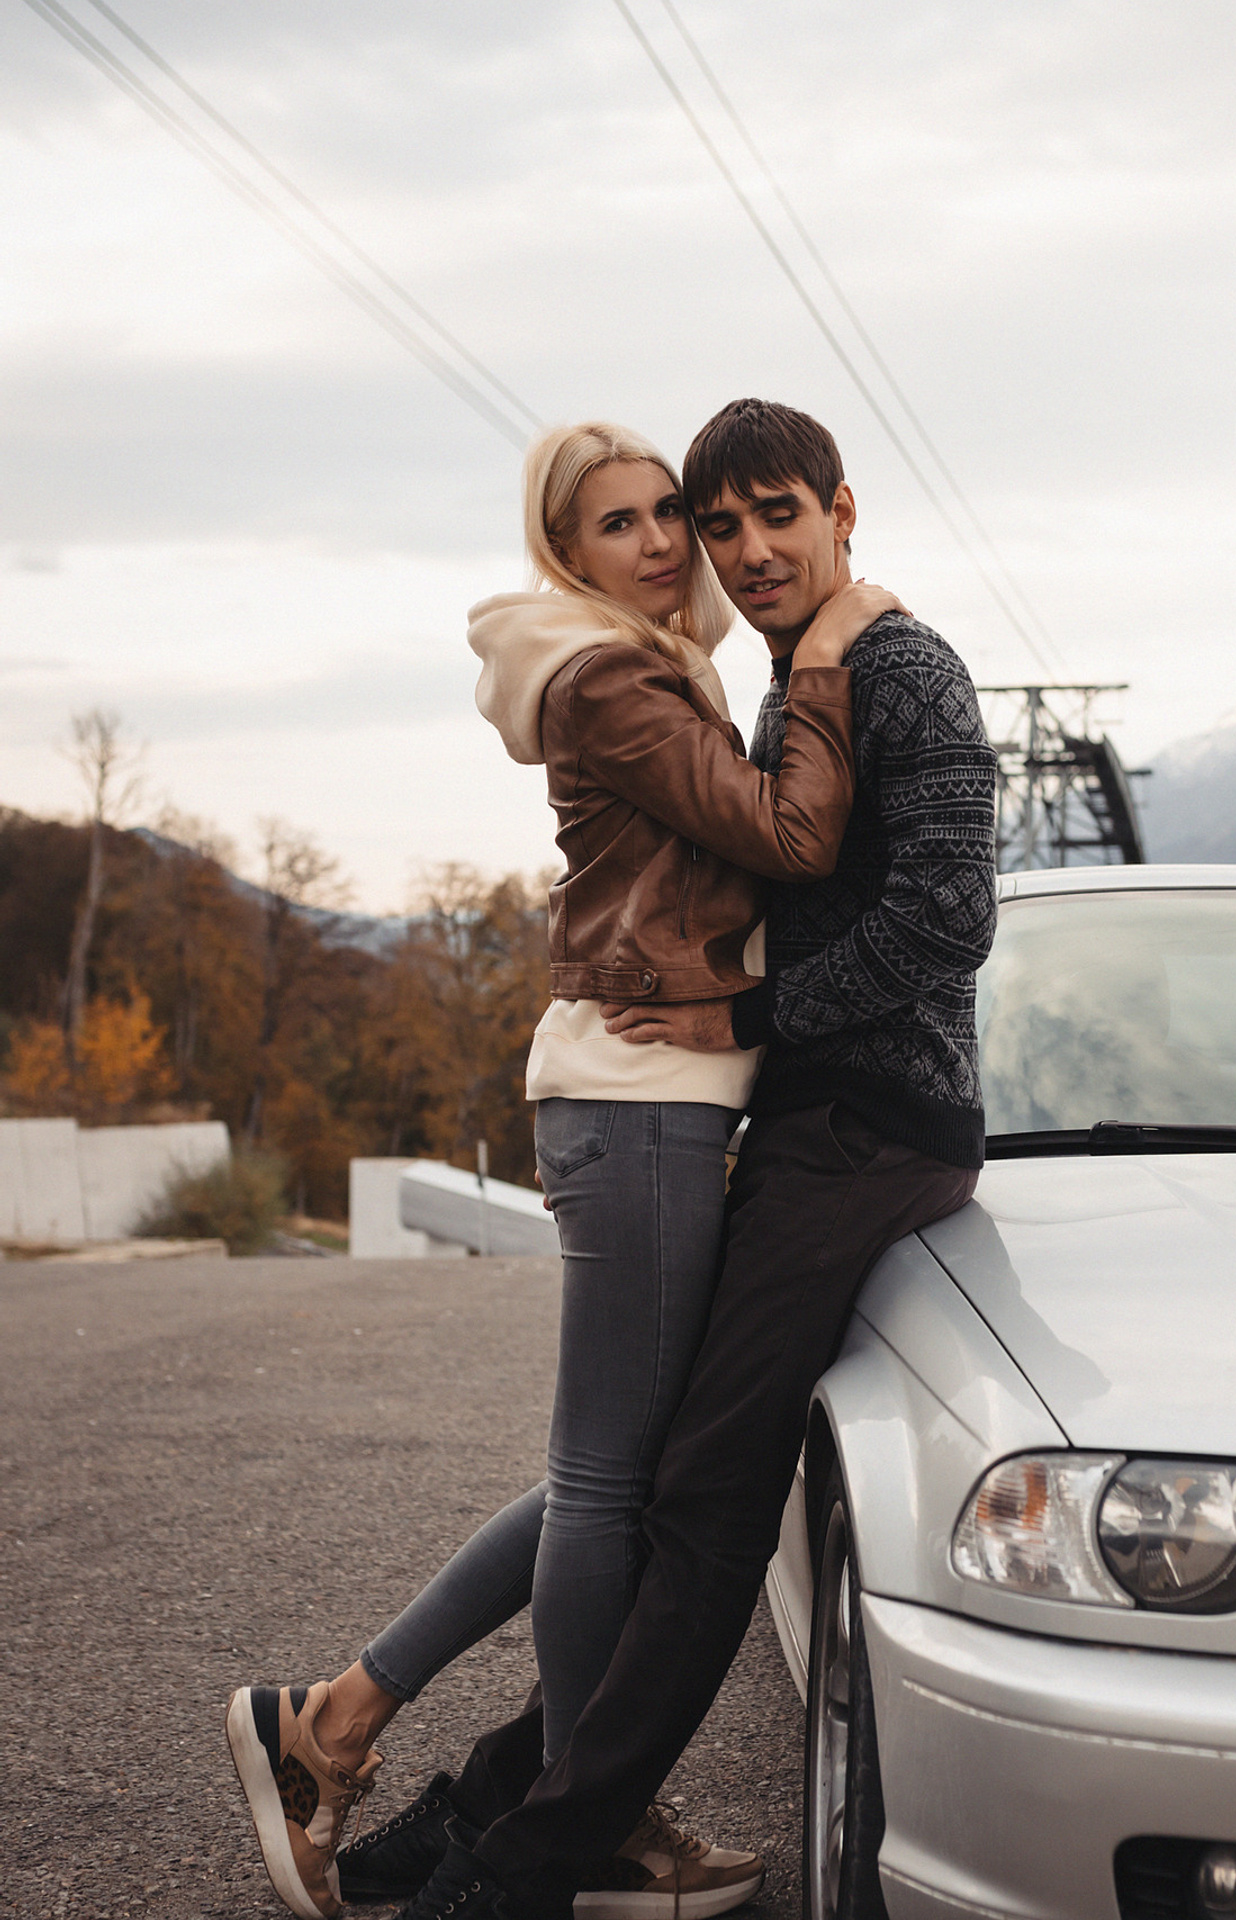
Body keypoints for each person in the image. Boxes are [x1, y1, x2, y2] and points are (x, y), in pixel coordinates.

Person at [224, 419, 901, 1920]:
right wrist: (831, 648)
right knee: (608, 1486)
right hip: (640, 1096)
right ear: (564, 551)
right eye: (619, 525)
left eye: (669, 514)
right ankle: (583, 1818)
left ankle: (339, 1716)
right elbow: (790, 832)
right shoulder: (610, 676)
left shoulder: (654, 661)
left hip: (655, 1097)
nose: (662, 544)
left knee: (618, 1474)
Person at [357, 397, 999, 1920]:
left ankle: (518, 1860)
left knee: (701, 1501)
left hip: (874, 1127)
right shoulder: (785, 675)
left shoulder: (900, 667)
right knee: (666, 1488)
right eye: (723, 526)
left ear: (842, 512)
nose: (746, 549)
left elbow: (949, 918)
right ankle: (497, 1801)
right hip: (799, 1119)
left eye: (776, 514)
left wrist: (755, 1011)